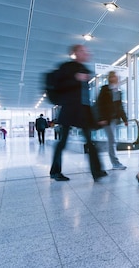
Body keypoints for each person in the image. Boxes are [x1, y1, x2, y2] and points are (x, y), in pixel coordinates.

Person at [49, 44, 106, 182]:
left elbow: (86, 95)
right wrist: (76, 78)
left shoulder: (85, 69)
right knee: (62, 141)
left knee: (89, 140)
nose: (86, 53)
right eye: (82, 51)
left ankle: (96, 171)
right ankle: (55, 171)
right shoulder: (67, 67)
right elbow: (60, 86)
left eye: (86, 50)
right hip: (70, 109)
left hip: (83, 110)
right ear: (74, 53)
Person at [96, 71, 128, 170]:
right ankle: (115, 163)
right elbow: (99, 104)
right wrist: (101, 118)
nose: (116, 78)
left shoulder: (118, 91)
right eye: (114, 77)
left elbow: (120, 106)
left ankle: (114, 162)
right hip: (107, 119)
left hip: (115, 119)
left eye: (116, 77)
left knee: (112, 141)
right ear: (110, 78)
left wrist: (125, 119)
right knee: (112, 140)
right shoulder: (105, 89)